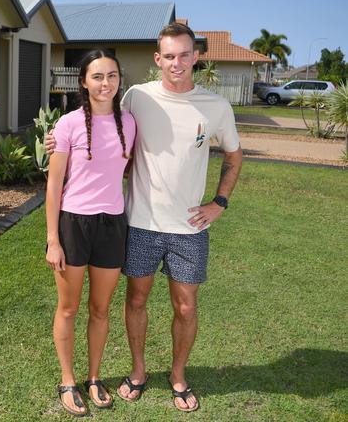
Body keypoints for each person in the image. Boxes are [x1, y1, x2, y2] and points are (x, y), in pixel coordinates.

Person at [46, 23, 243, 412]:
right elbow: (82, 154)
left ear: (196, 57)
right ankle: (130, 373)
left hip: (184, 226)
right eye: (169, 55)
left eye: (184, 54)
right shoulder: (137, 98)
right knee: (132, 300)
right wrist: (55, 139)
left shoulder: (213, 106)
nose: (177, 62)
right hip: (137, 223)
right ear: (158, 59)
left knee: (184, 305)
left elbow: (233, 156)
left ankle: (176, 376)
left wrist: (219, 202)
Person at [46, 49, 136, 417]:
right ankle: (68, 380)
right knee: (68, 308)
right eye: (97, 76)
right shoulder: (67, 124)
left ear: (119, 80)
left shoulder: (128, 122)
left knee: (100, 309)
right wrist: (53, 239)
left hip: (113, 223)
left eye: (112, 75)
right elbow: (54, 185)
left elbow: (127, 168)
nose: (105, 83)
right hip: (74, 224)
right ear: (83, 81)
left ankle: (94, 377)